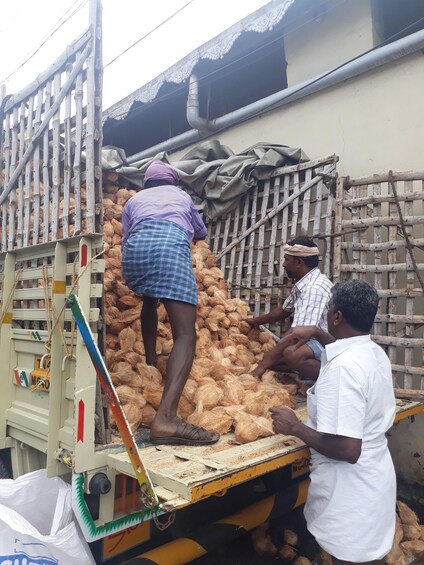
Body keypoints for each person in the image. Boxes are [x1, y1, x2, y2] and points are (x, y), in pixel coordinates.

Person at [270, 280, 396, 565]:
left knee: (351, 558)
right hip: (373, 481)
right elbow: (342, 351)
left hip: (352, 493)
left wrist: (294, 427)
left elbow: (348, 450)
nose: (326, 314)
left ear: (337, 317)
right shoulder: (373, 353)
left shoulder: (343, 370)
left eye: (328, 310)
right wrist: (316, 331)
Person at [121, 160, 219, 446]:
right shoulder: (182, 196)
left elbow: (127, 237)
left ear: (147, 183)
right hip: (167, 249)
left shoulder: (134, 200)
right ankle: (166, 418)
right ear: (172, 182)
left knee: (150, 300)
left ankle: (151, 361)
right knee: (186, 336)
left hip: (134, 256)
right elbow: (200, 232)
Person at [245, 236, 333, 379]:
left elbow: (297, 334)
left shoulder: (313, 289)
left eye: (287, 259)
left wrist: (260, 367)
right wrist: (255, 321)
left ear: (299, 262)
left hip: (326, 344)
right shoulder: (304, 283)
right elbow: (282, 311)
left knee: (292, 354)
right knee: (272, 359)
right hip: (311, 339)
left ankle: (331, 375)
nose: (284, 264)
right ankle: (304, 370)